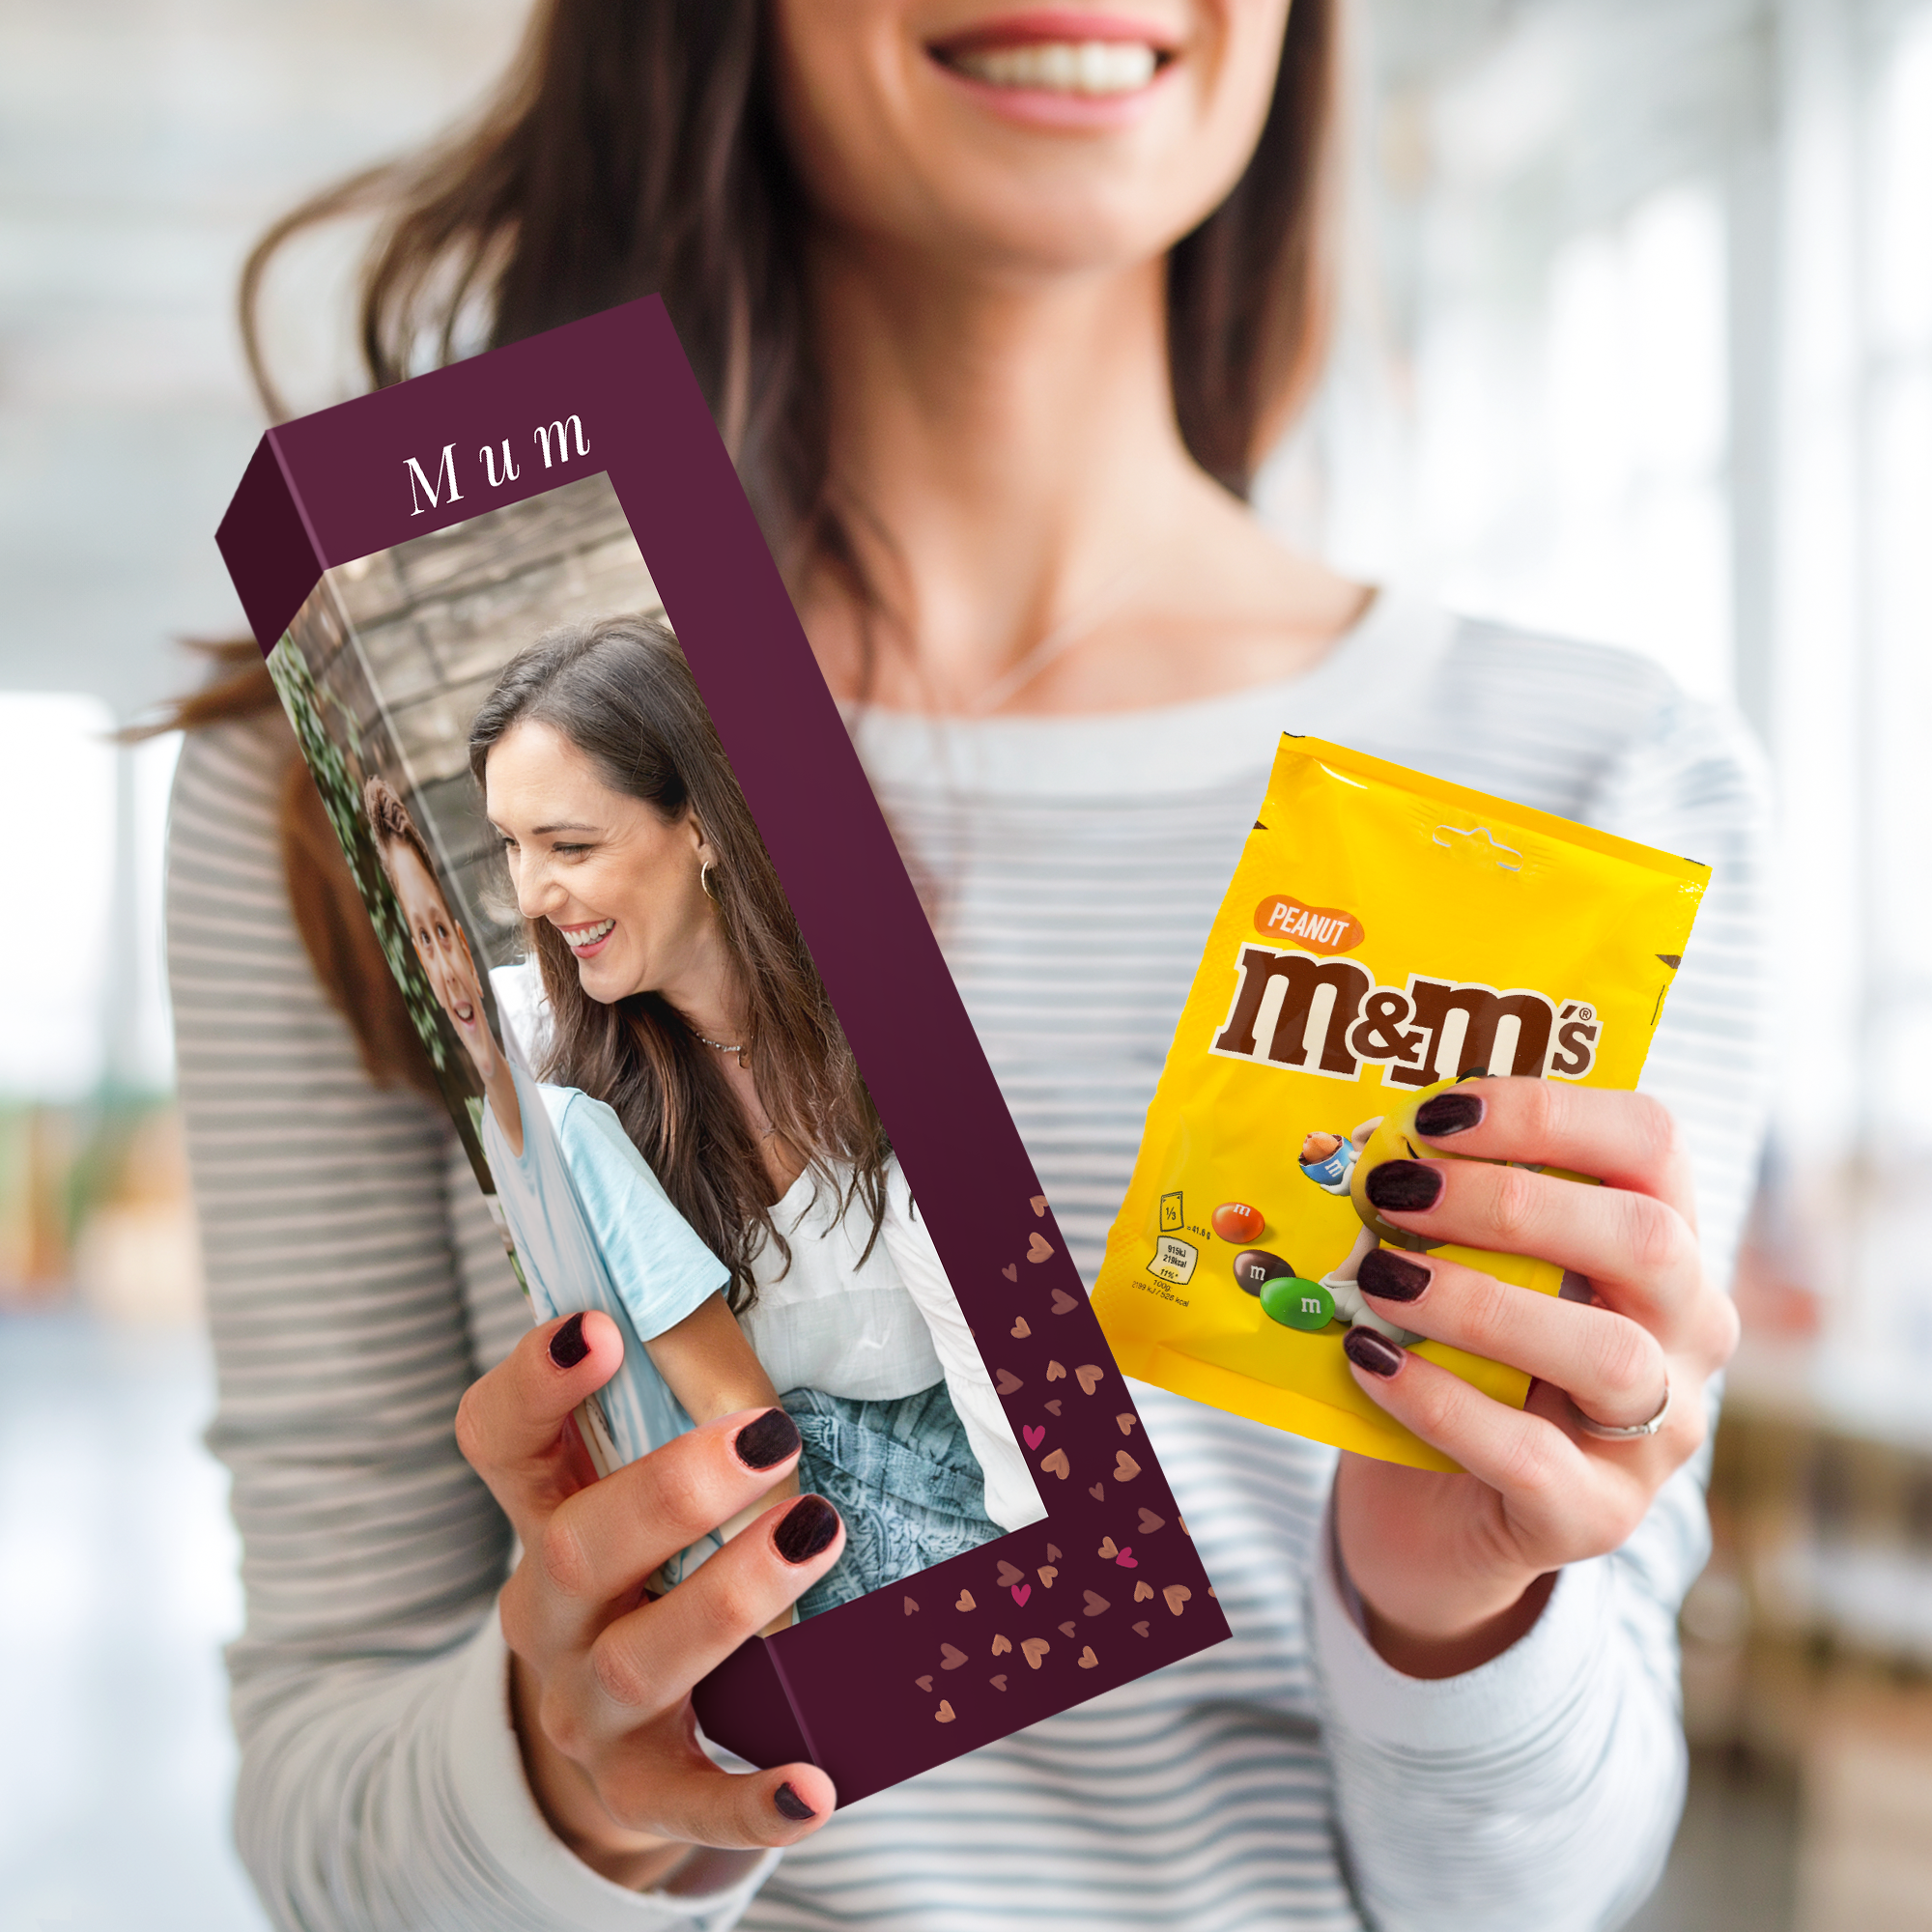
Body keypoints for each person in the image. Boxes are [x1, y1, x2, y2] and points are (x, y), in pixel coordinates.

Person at [169, 3, 1767, 1927]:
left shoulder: (1589, 784)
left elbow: (1547, 1890)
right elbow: (322, 1812)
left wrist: (1456, 1625)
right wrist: (576, 1773)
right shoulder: (333, 783)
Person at [469, 613, 1040, 1613]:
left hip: (986, 1518)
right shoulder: (555, 1079)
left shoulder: (908, 1012)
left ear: (702, 824)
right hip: (767, 1557)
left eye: (568, 844)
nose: (531, 893)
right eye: (511, 846)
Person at [362, 773, 800, 1588]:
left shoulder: (570, 1129)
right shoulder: (502, 1144)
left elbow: (734, 1407)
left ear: (463, 939)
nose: (440, 971)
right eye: (411, 949)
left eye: (437, 934)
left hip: (766, 1550)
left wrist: (775, 1635)